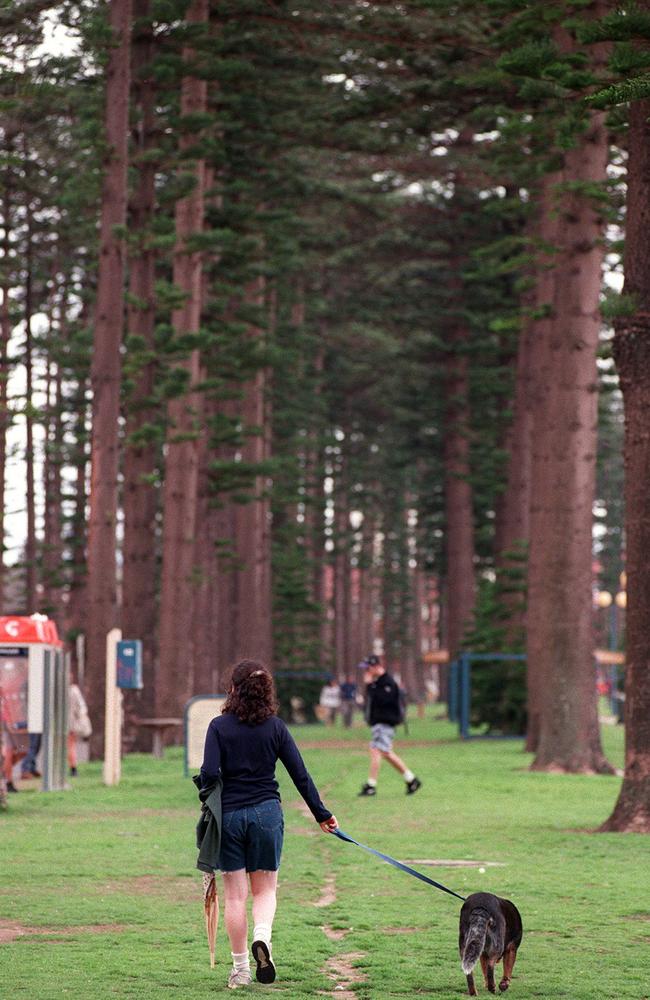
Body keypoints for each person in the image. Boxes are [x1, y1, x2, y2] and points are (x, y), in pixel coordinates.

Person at [200, 659, 338, 990]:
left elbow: (208, 775)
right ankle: (263, 938)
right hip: (266, 814)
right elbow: (299, 774)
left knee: (235, 897)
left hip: (230, 817)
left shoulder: (219, 727)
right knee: (265, 890)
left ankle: (241, 970)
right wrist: (322, 814)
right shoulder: (275, 727)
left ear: (232, 690)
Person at [358, 654, 421, 797]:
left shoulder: (387, 682)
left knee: (377, 751)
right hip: (379, 724)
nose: (366, 672)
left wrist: (369, 685)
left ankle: (371, 785)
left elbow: (382, 701)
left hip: (384, 724)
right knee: (384, 752)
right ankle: (411, 779)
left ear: (375, 667)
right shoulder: (379, 682)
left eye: (367, 668)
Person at [68, 680, 92, 776]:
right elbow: (82, 708)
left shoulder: (56, 690)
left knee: (69, 745)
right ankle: (73, 768)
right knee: (71, 745)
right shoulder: (74, 690)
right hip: (72, 722)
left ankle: (72, 768)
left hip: (62, 723)